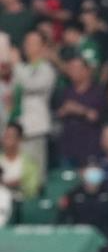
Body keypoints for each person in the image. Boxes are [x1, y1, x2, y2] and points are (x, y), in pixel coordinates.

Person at [13, 31, 56, 176]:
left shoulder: (47, 69)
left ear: (43, 47)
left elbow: (30, 84)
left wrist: (16, 64)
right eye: (27, 42)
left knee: (34, 173)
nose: (28, 46)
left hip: (35, 128)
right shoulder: (23, 68)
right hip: (16, 128)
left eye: (33, 43)